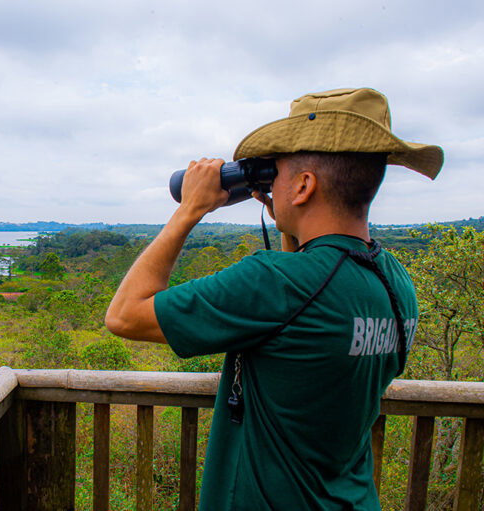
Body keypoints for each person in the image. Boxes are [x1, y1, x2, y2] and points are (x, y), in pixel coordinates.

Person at [105, 88, 443, 510]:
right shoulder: (394, 281)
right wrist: (290, 215)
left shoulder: (272, 283)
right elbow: (305, 303)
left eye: (277, 173)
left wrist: (189, 209)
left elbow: (125, 316)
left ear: (303, 185)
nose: (271, 185)